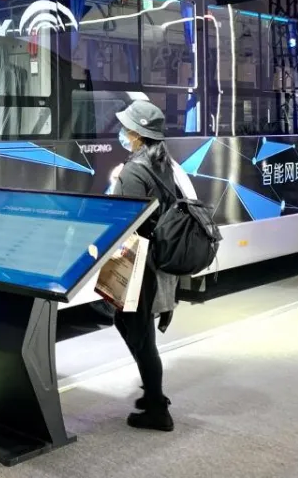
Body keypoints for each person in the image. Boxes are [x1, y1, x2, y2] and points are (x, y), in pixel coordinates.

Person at [109, 99, 179, 432]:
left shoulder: (134, 171)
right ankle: (152, 391)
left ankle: (157, 407)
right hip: (153, 260)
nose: (122, 132)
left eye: (126, 128)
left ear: (136, 134)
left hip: (137, 261)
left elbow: (123, 219)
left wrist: (116, 183)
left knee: (140, 334)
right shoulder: (160, 162)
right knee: (130, 325)